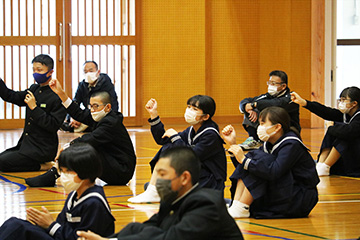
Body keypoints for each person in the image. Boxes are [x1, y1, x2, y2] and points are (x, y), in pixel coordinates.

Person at [77, 147, 244, 240]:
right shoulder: (172, 198)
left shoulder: (206, 204)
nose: (157, 181)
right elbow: (149, 226)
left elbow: (170, 238)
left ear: (185, 177)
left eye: (163, 175)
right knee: (134, 227)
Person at [25, 80, 136, 187]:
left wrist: (67, 146)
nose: (92, 110)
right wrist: (61, 93)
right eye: (91, 106)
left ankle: (53, 174)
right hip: (112, 162)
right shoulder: (100, 116)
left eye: (96, 106)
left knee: (87, 148)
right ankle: (59, 174)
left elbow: (91, 138)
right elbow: (78, 113)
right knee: (86, 147)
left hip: (121, 171)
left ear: (107, 107)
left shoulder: (111, 122)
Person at [0, 143, 115, 240]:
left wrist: (50, 225)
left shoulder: (94, 203)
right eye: (62, 171)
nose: (63, 175)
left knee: (18, 227)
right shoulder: (73, 196)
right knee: (13, 223)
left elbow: (83, 237)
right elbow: (61, 228)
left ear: (84, 172)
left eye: (67, 171)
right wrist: (43, 223)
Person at [222, 106, 319, 219]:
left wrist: (244, 159)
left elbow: (274, 171)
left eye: (263, 123)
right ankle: (238, 205)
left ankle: (241, 207)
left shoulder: (292, 144)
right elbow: (247, 169)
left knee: (259, 160)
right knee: (255, 159)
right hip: (285, 190)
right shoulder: (268, 144)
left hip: (299, 197)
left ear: (277, 127)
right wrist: (233, 145)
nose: (259, 127)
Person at [128, 95, 227, 203]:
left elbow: (191, 155)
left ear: (205, 117)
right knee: (168, 148)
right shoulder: (191, 130)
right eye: (189, 107)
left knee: (171, 149)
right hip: (196, 175)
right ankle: (154, 190)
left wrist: (175, 137)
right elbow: (162, 140)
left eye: (194, 109)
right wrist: (153, 114)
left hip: (210, 181)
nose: (189, 111)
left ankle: (155, 191)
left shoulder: (211, 134)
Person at [0, 54, 66, 172]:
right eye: (34, 70)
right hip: (26, 145)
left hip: (42, 149)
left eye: (39, 70)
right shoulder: (34, 89)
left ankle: (43, 166)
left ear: (50, 72)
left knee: (3, 162)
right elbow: (11, 96)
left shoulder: (57, 96)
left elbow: (53, 125)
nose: (35, 73)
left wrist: (34, 108)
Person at [290, 87, 360, 177]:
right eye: (340, 100)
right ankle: (321, 164)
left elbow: (350, 131)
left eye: (344, 100)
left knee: (340, 130)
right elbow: (326, 111)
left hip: (356, 159)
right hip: (350, 155)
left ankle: (326, 166)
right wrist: (304, 103)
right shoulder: (346, 115)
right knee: (335, 127)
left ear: (354, 103)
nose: (341, 103)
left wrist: (331, 127)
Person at [238, 70, 300, 150]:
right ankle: (254, 140)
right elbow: (246, 101)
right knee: (252, 110)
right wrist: (246, 107)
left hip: (288, 130)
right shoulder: (267, 96)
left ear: (283, 86)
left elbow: (277, 103)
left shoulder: (291, 97)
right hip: (272, 129)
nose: (270, 86)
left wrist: (254, 105)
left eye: (273, 84)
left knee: (260, 108)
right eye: (269, 83)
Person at [61, 60, 119, 133]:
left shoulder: (106, 83)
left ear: (98, 72)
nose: (88, 74)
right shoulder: (82, 85)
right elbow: (76, 101)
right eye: (85, 72)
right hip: (89, 113)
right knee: (77, 118)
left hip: (102, 114)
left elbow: (113, 103)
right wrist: (73, 118)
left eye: (91, 71)